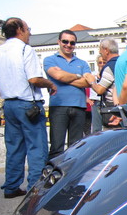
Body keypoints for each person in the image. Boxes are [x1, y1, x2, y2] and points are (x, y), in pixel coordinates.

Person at [0, 17, 57, 198]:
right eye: (28, 29)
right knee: (36, 147)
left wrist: (10, 87)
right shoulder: (25, 49)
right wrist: (50, 84)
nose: (30, 33)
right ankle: (35, 188)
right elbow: (34, 79)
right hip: (28, 104)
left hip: (9, 104)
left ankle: (11, 186)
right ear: (19, 29)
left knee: (14, 147)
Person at [43, 29, 94, 158]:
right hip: (58, 107)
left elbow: (88, 82)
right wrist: (78, 76)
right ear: (59, 42)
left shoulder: (82, 63)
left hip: (79, 107)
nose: (68, 45)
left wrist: (64, 77)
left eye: (72, 43)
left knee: (75, 147)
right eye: (65, 41)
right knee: (56, 147)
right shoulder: (50, 60)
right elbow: (58, 76)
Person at [90, 39, 119, 129]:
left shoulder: (109, 67)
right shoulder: (123, 62)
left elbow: (100, 89)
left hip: (112, 107)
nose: (100, 52)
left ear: (106, 50)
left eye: (100, 50)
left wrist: (91, 81)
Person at [88, 54, 106, 133]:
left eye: (104, 62)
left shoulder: (109, 74)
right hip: (96, 102)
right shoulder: (93, 75)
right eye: (100, 62)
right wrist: (88, 99)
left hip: (106, 102)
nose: (102, 64)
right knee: (96, 128)